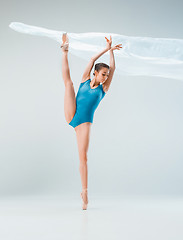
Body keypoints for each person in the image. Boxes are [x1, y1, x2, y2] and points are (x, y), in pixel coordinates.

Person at [60, 33, 122, 210]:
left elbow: (114, 69)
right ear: (95, 72)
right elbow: (92, 59)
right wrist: (106, 48)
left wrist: (112, 54)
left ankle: (84, 192)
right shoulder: (85, 80)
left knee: (83, 158)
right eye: (103, 74)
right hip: (72, 114)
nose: (105, 77)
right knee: (69, 84)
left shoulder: (104, 89)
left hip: (84, 123)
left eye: (106, 75)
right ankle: (64, 51)